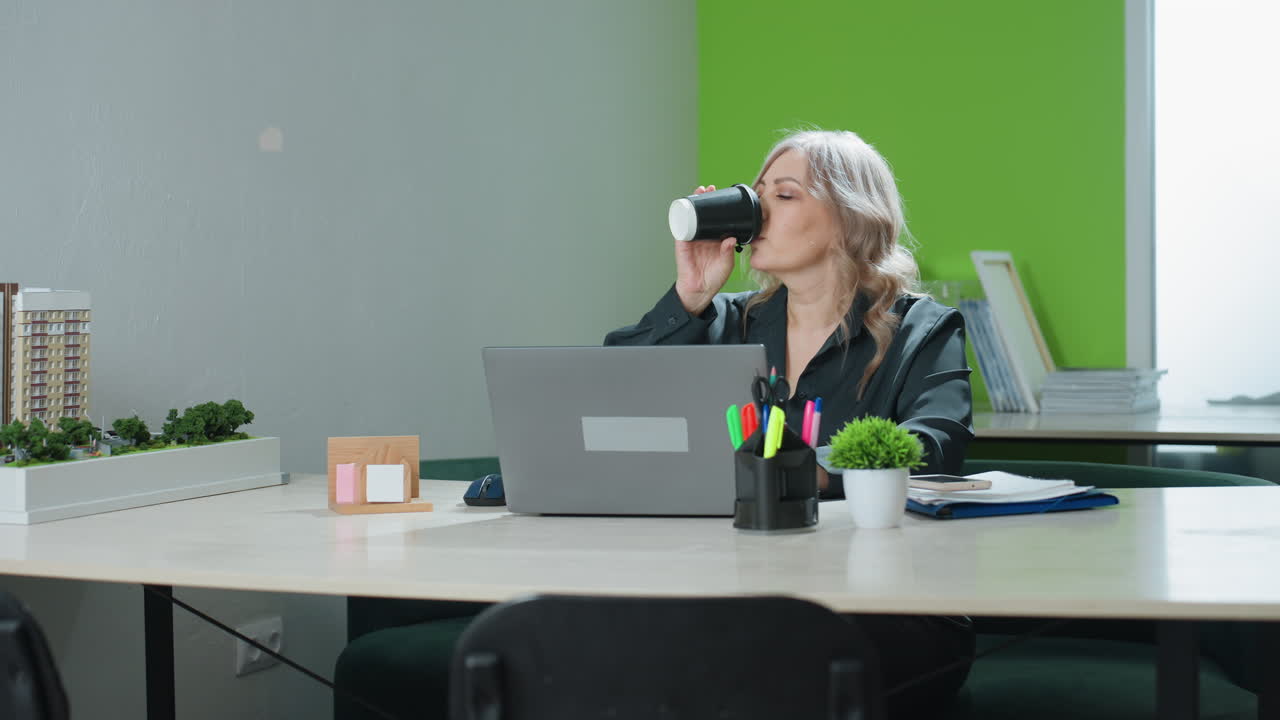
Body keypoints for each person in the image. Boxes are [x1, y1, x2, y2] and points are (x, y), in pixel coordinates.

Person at [604, 129, 975, 718]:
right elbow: (614, 399)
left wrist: (805, 472)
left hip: (881, 604)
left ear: (850, 216)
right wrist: (689, 297)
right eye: (754, 196)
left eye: (783, 195)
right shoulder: (726, 321)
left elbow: (934, 446)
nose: (757, 214)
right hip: (735, 592)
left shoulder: (920, 329)